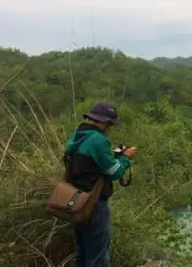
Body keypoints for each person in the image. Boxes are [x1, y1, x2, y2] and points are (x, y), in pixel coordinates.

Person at [63, 102, 136, 267]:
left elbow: (85, 164)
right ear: (104, 122)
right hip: (94, 204)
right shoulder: (98, 140)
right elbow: (115, 172)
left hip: (76, 201)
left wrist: (110, 157)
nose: (110, 128)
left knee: (82, 253)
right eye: (110, 124)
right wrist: (125, 158)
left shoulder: (77, 136)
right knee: (97, 256)